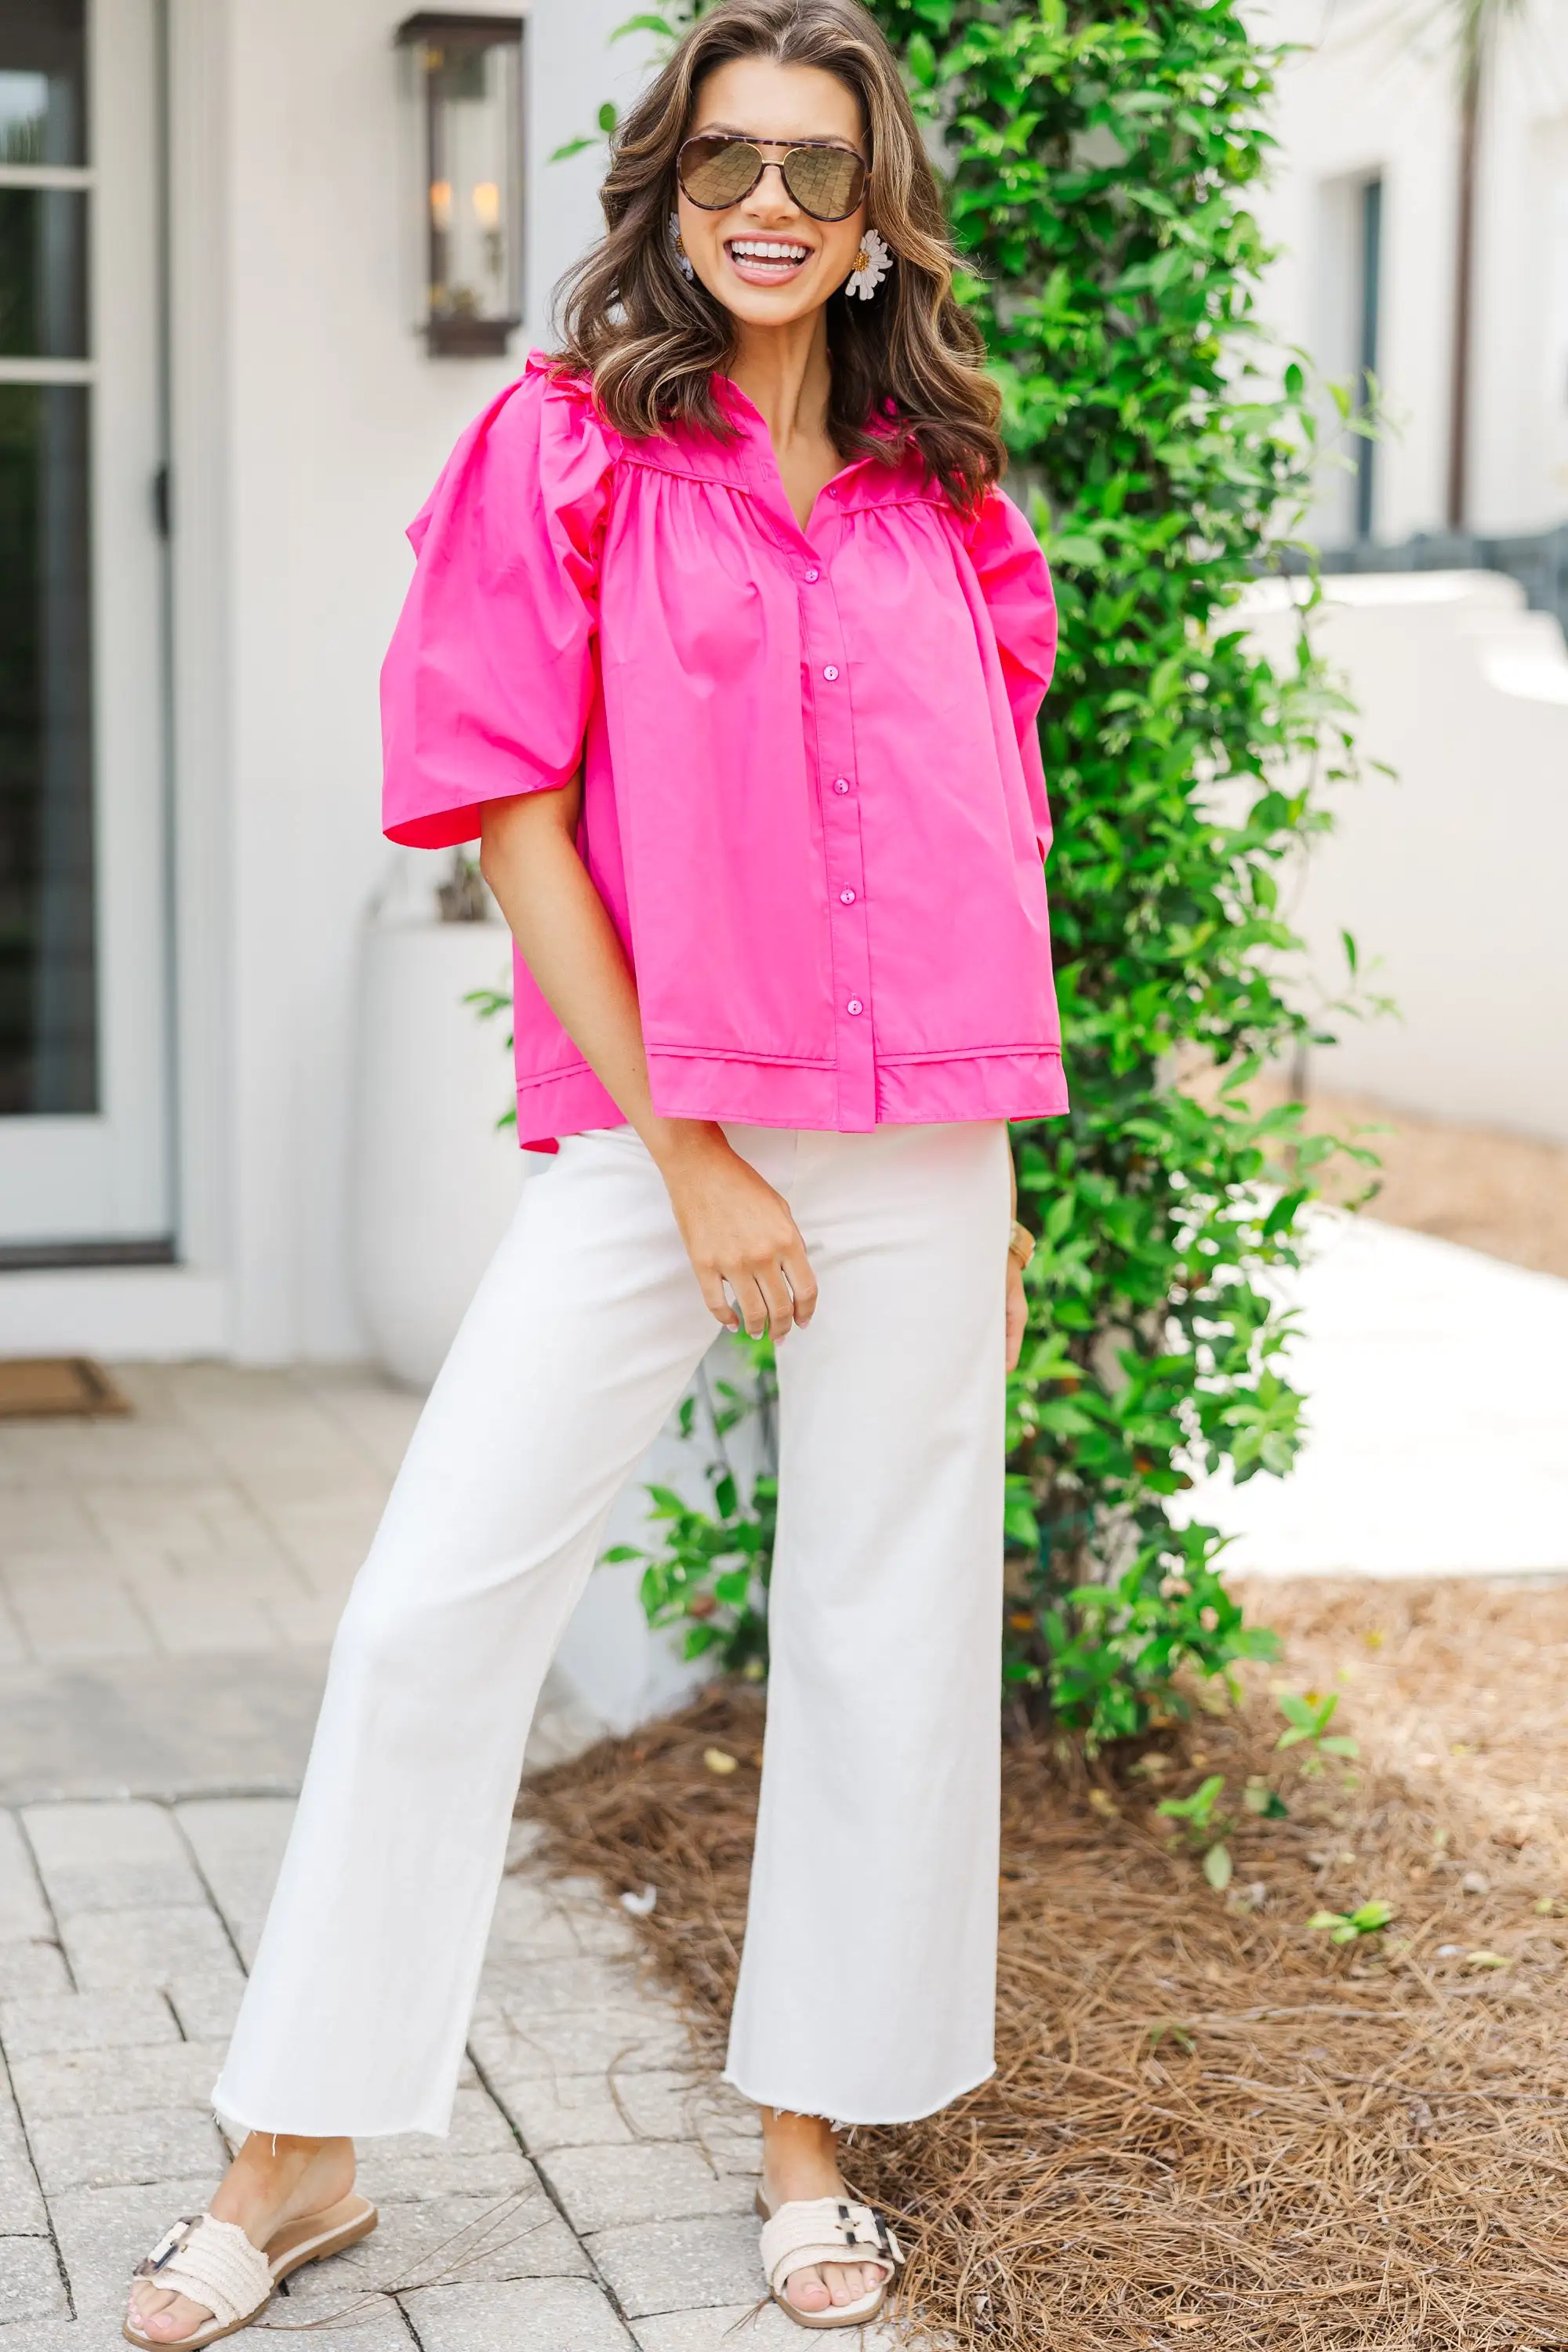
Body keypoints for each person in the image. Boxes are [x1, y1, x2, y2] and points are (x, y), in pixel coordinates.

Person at [124, 0, 1063, 2338]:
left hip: (930, 1137)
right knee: (435, 1608)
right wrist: (695, 1157)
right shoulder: (565, 451)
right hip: (671, 1135)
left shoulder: (947, 487)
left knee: (881, 1627)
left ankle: (812, 2149)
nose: (769, 201)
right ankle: (298, 2148)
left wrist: (993, 1190)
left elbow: (987, 825)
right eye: (727, 158)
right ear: (660, 186)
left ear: (876, 216)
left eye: (817, 169)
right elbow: (512, 809)